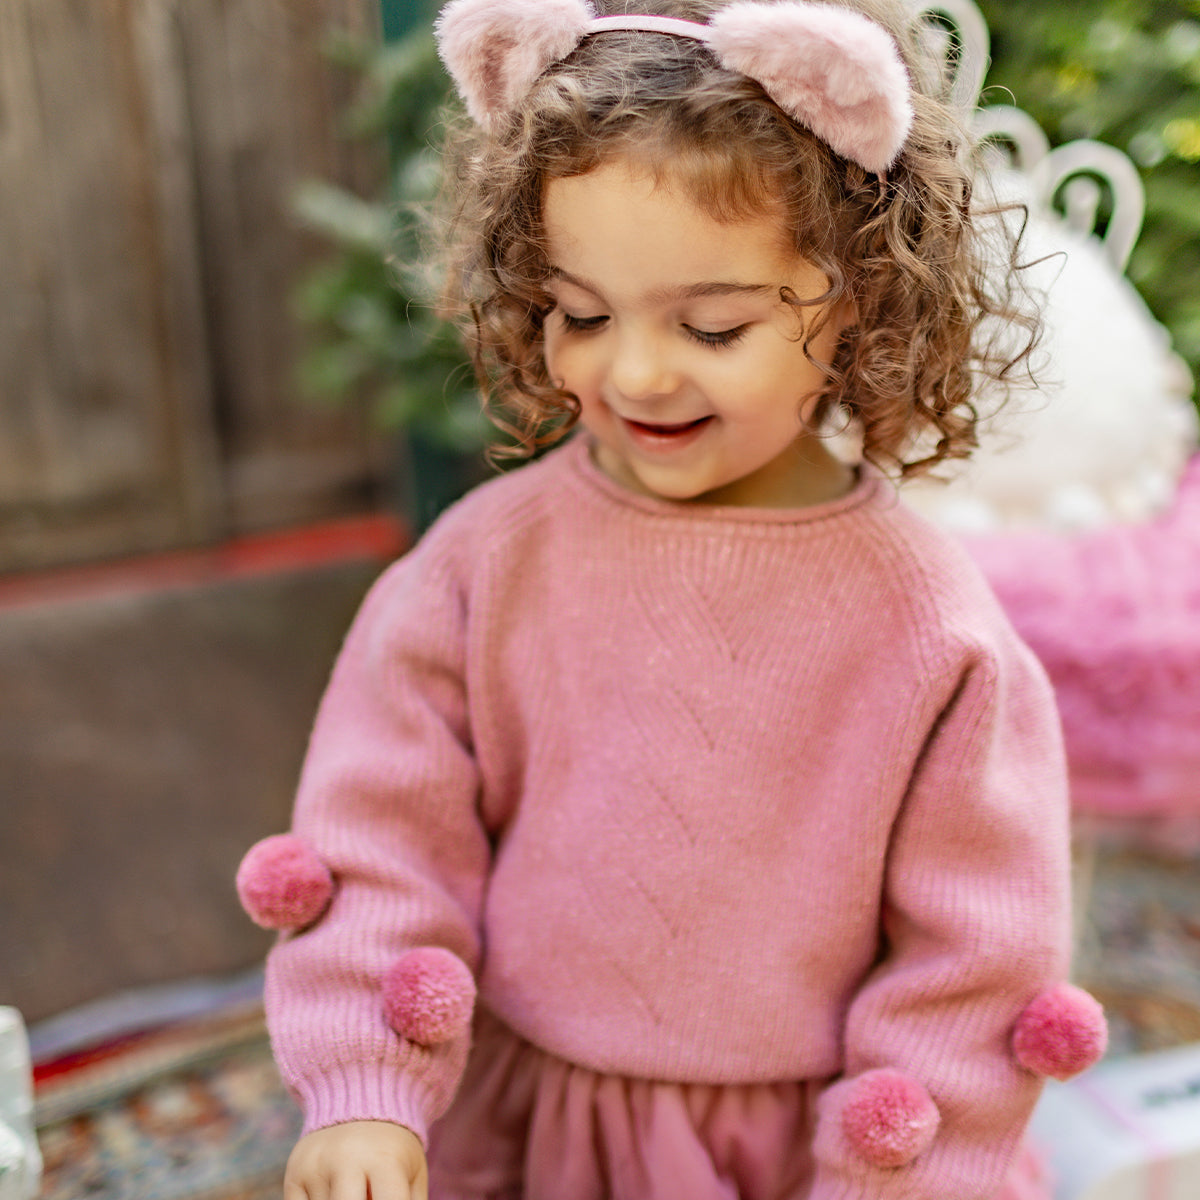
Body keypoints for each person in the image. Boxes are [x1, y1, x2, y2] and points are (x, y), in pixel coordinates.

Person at [236, 1, 1108, 1197]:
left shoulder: (931, 629)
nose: (635, 371)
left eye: (713, 324)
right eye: (581, 314)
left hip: (810, 1158)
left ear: (859, 295)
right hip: (531, 1125)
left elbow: (976, 959)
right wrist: (366, 1085)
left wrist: (886, 1173)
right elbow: (380, 838)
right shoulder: (484, 563)